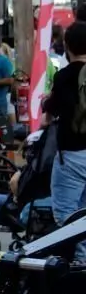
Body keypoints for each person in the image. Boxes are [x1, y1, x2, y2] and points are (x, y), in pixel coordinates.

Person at [43, 21, 86, 260]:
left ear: (67, 46)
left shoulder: (64, 76)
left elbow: (51, 110)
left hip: (72, 154)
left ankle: (79, 265)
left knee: (67, 215)